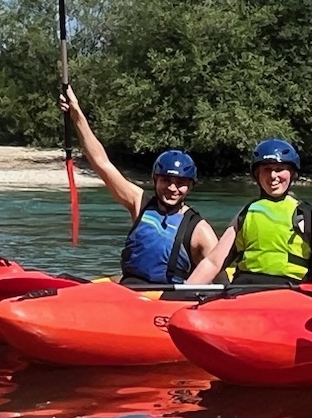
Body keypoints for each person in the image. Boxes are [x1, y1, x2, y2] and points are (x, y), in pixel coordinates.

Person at [59, 86, 220, 286]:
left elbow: (220, 280)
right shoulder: (140, 203)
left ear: (190, 187)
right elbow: (101, 162)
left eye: (180, 184)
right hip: (128, 291)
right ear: (155, 180)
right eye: (166, 181)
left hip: (163, 301)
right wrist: (76, 114)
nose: (172, 188)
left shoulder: (199, 230)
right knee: (63, 279)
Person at [184, 137, 312, 299]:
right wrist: (182, 295)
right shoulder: (246, 213)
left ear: (292, 173)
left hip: (289, 293)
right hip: (243, 291)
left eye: (279, 169)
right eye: (267, 169)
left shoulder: (308, 216)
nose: (273, 176)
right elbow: (213, 262)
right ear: (257, 175)